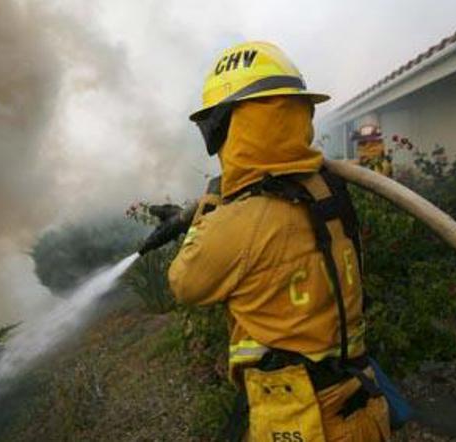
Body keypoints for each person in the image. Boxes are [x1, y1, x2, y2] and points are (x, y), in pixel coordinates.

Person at [167, 41, 391, 441]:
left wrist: (209, 209)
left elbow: (184, 283)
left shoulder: (237, 221)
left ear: (234, 123)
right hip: (362, 408)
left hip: (301, 421)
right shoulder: (326, 187)